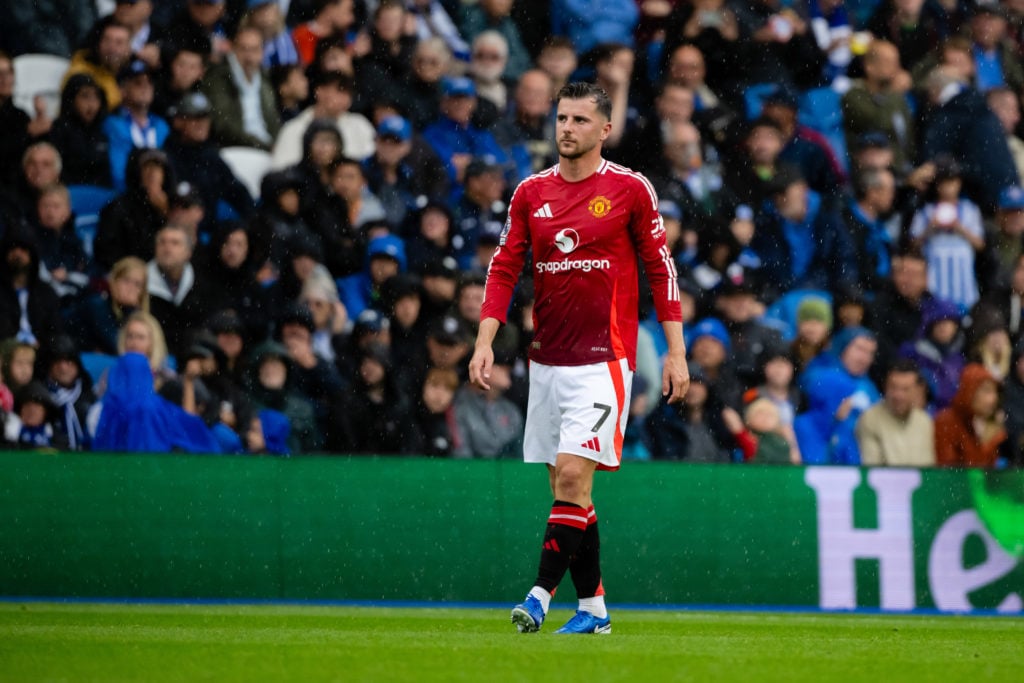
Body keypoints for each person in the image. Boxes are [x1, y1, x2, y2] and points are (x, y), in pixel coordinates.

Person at [468, 82, 688, 635]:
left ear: (604, 130)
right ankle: (594, 609)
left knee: (571, 477)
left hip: (603, 361)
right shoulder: (528, 193)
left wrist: (675, 353)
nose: (567, 128)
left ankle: (538, 596)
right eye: (562, 118)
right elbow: (502, 270)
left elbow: (660, 271)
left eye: (580, 120)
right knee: (572, 494)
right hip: (546, 363)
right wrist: (484, 340)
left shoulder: (631, 190)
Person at [934, 363, 1007, 468]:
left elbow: (990, 476)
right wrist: (987, 444)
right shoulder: (946, 421)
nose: (994, 399)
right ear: (970, 392)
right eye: (987, 391)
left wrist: (993, 438)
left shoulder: (990, 424)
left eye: (995, 392)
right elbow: (951, 473)